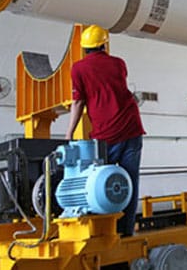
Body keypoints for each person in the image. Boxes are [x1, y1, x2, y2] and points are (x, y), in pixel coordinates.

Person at [66, 25, 145, 236]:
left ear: (84, 48)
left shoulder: (78, 69)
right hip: (131, 128)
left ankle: (106, 232)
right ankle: (126, 231)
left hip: (106, 134)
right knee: (129, 182)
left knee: (101, 185)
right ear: (104, 44)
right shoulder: (119, 63)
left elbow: (78, 102)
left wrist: (69, 133)